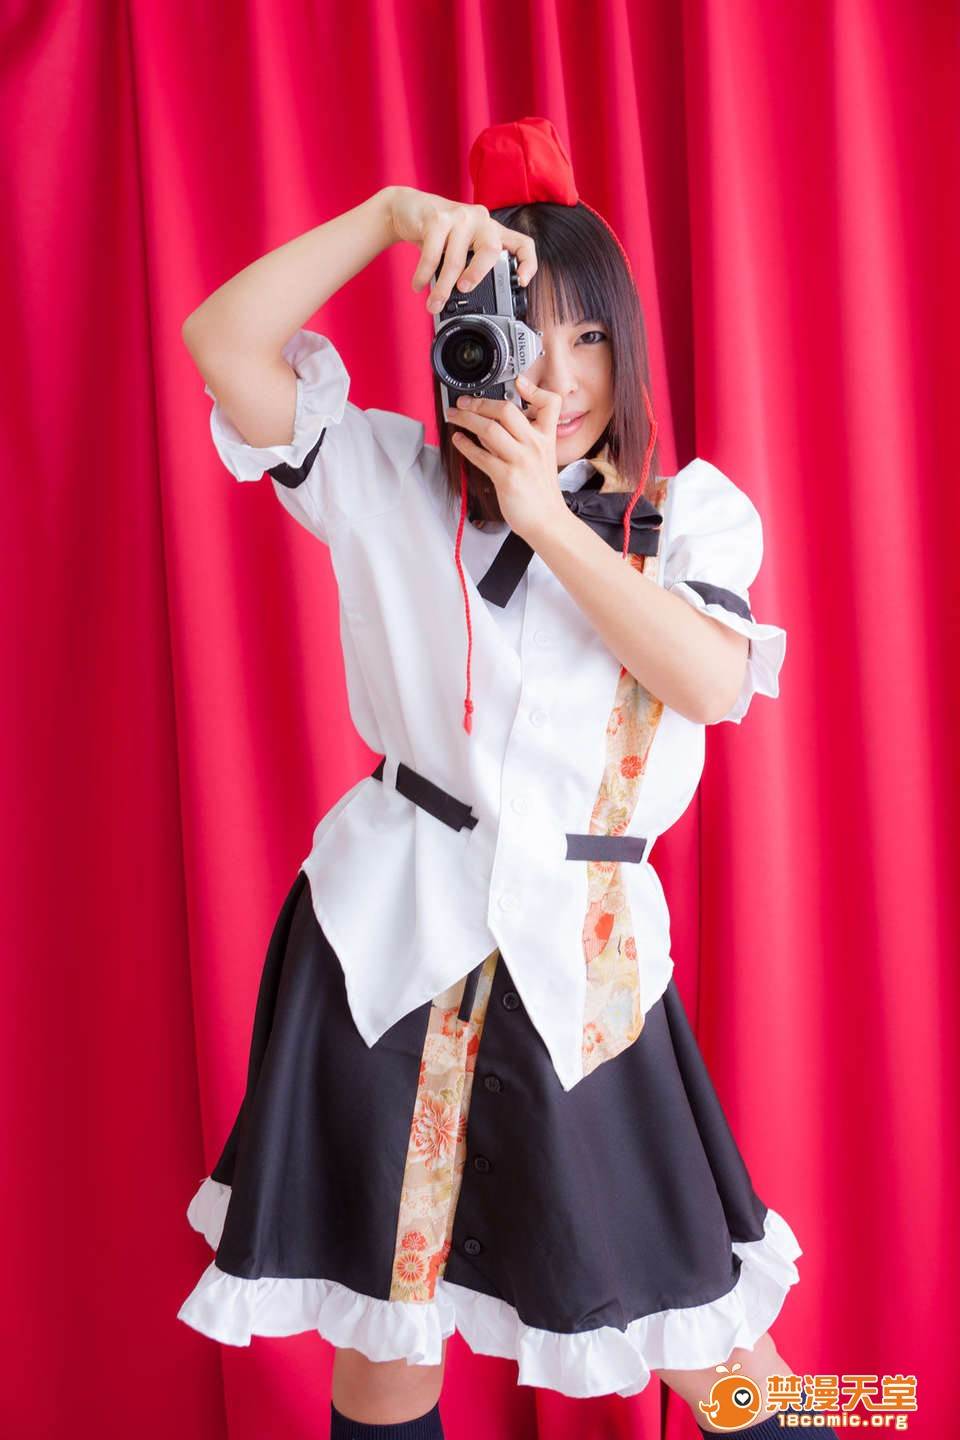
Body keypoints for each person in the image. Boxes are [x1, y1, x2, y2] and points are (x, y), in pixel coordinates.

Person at [177, 117, 804, 1440]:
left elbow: (708, 684)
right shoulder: (389, 478)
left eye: (590, 336)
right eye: (525, 331)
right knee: (386, 1349)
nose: (558, 377)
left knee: (723, 1353)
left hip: (584, 977)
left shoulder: (691, 517)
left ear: (628, 346)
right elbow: (220, 343)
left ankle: (860, 1420)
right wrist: (389, 215)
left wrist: (544, 521)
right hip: (387, 948)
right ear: (467, 339)